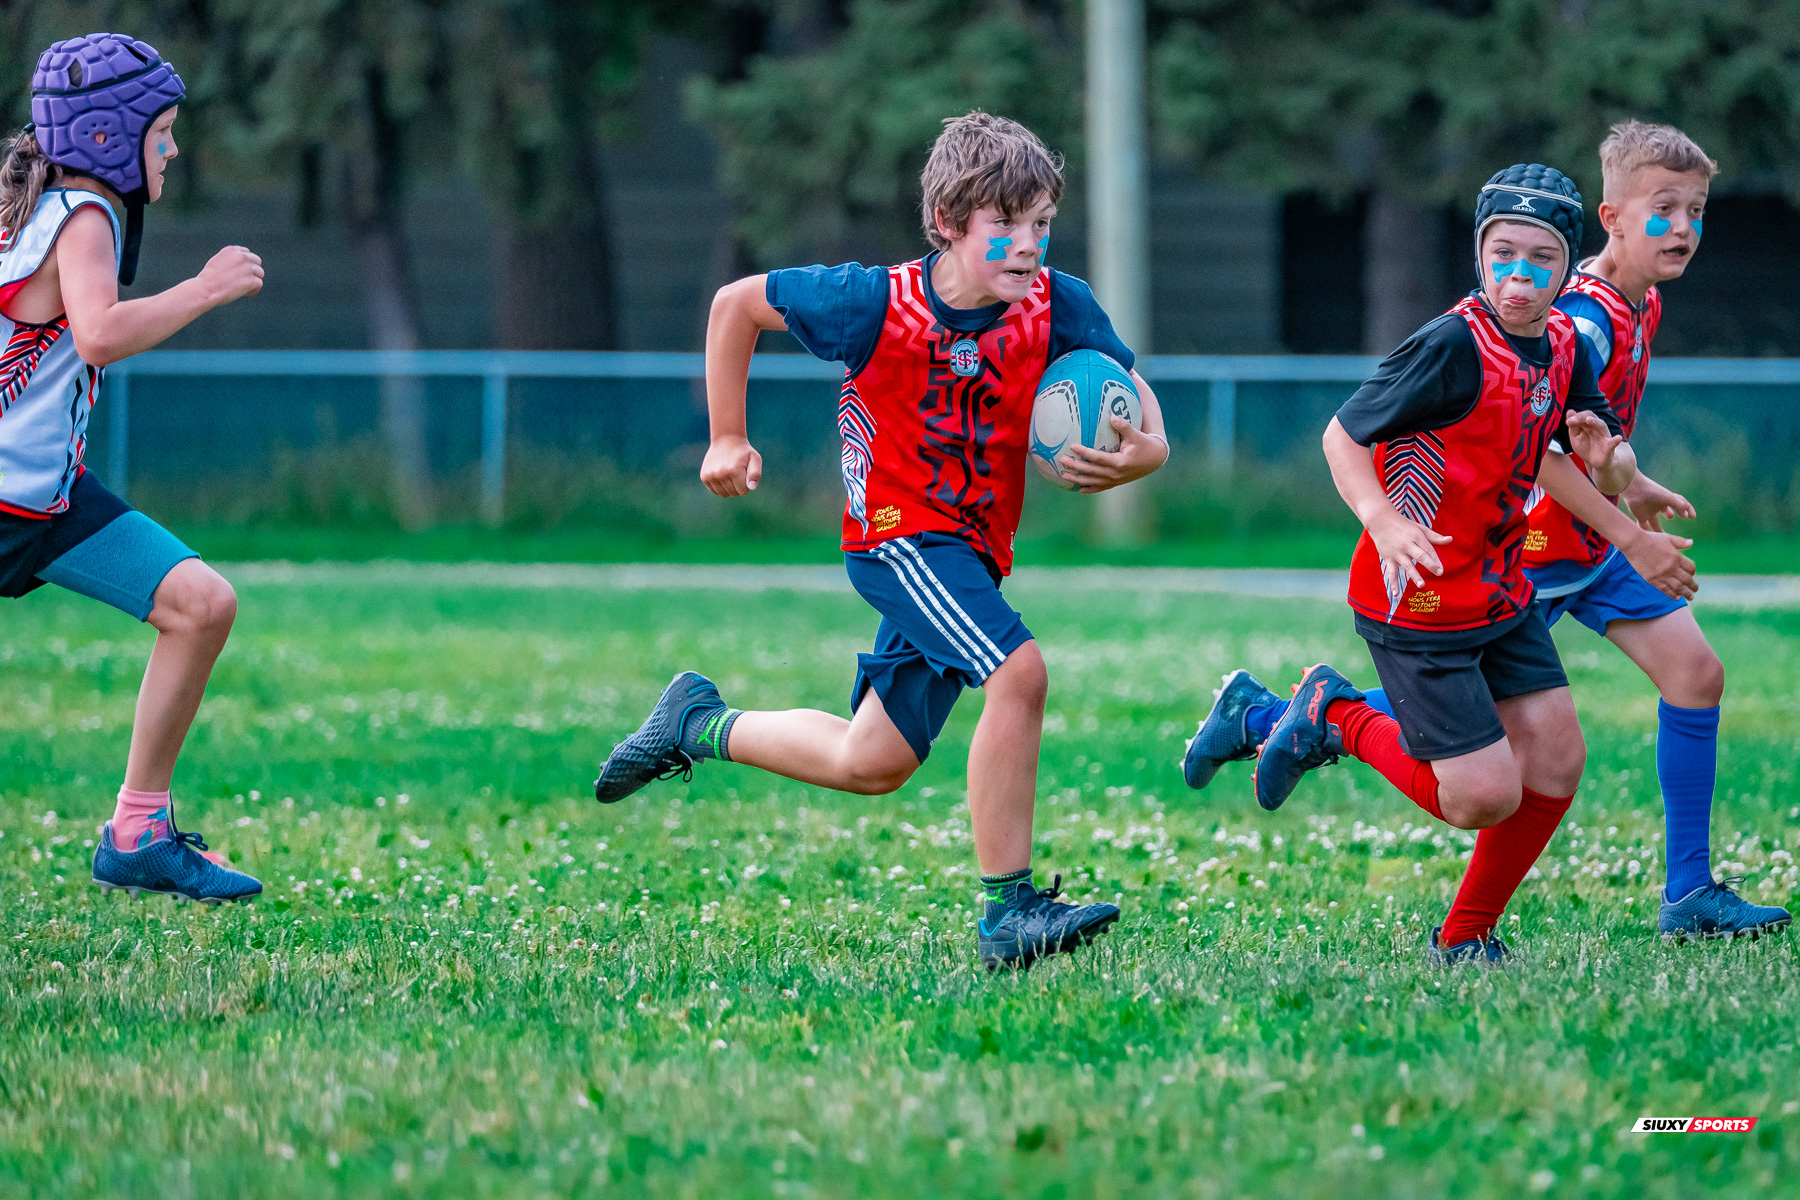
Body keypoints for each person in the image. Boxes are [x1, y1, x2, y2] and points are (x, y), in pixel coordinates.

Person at [594, 112, 1170, 970]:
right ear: (948, 224)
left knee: (874, 761)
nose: (1027, 247)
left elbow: (1133, 396)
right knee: (1020, 673)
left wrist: (1147, 451)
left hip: (968, 554)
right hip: (899, 538)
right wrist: (726, 434)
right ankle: (1009, 913)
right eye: (1004, 227)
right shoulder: (874, 303)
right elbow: (735, 305)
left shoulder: (1059, 306)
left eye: (1041, 224)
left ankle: (697, 722)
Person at [1187, 164, 1696, 964]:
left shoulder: (1563, 341)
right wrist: (1382, 518)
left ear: (1569, 265)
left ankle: (1464, 939)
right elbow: (1342, 436)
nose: (1519, 277)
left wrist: (1620, 472)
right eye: (1502, 255)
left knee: (1557, 761)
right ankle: (1337, 716)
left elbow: (1582, 450)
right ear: (1478, 255)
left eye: (1539, 260)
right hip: (1413, 600)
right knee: (1481, 797)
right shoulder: (1450, 344)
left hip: (1500, 589)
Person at [0, 33, 265, 903]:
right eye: (163, 133)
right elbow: (100, 333)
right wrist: (208, 286)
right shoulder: (85, 213)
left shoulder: (51, 206)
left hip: (44, 501)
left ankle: (139, 830)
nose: (174, 149)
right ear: (110, 137)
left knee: (200, 604)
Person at [1524, 122, 1788, 941]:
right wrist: (1630, 532)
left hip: (1590, 543)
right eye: (1663, 208)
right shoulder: (1583, 322)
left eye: (1697, 210)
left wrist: (1633, 486)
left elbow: (1594, 444)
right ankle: (1294, 713)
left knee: (1695, 673)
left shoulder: (1645, 305)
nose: (1683, 227)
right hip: (1524, 554)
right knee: (1458, 729)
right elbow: (1537, 458)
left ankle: (1688, 894)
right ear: (1611, 216)